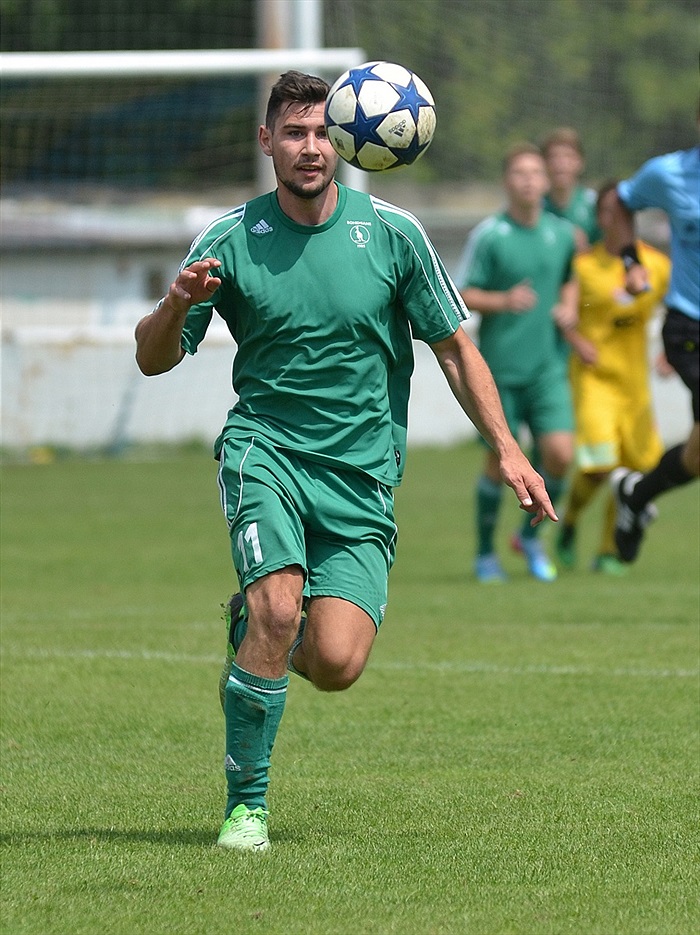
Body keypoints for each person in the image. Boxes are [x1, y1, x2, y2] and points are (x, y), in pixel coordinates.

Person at [134, 71, 557, 853]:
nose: (310, 147)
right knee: (278, 607)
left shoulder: (394, 233)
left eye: (321, 132)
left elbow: (456, 349)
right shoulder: (229, 240)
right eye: (293, 133)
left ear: (347, 141)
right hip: (267, 453)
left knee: (335, 661)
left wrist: (507, 448)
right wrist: (176, 304)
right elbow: (153, 359)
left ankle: (255, 624)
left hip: (362, 476)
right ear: (266, 142)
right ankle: (246, 808)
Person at [455, 142, 577, 583]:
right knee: (498, 464)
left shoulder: (561, 233)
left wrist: (569, 305)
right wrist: (503, 300)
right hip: (500, 370)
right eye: (520, 173)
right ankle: (485, 554)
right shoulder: (490, 235)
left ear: (546, 181)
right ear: (508, 182)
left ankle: (529, 536)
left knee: (561, 456)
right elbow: (463, 293)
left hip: (548, 368)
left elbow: (569, 279)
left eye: (535, 173)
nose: (529, 180)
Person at [556, 181, 671, 575]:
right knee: (600, 466)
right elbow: (566, 309)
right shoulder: (585, 265)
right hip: (594, 377)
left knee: (633, 470)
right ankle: (569, 520)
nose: (613, 218)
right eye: (606, 210)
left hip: (634, 382)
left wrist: (671, 351)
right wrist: (573, 336)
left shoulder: (656, 264)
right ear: (599, 217)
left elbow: (679, 306)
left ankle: (607, 550)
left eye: (620, 211)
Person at [609, 142, 699, 562]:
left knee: (696, 457)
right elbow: (619, 200)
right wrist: (632, 261)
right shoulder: (668, 174)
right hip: (689, 326)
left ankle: (636, 493)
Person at [541, 127, 601, 253]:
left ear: (580, 163)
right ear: (543, 163)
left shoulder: (594, 204)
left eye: (568, 156)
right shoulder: (534, 207)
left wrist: (586, 252)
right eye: (554, 157)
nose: (561, 163)